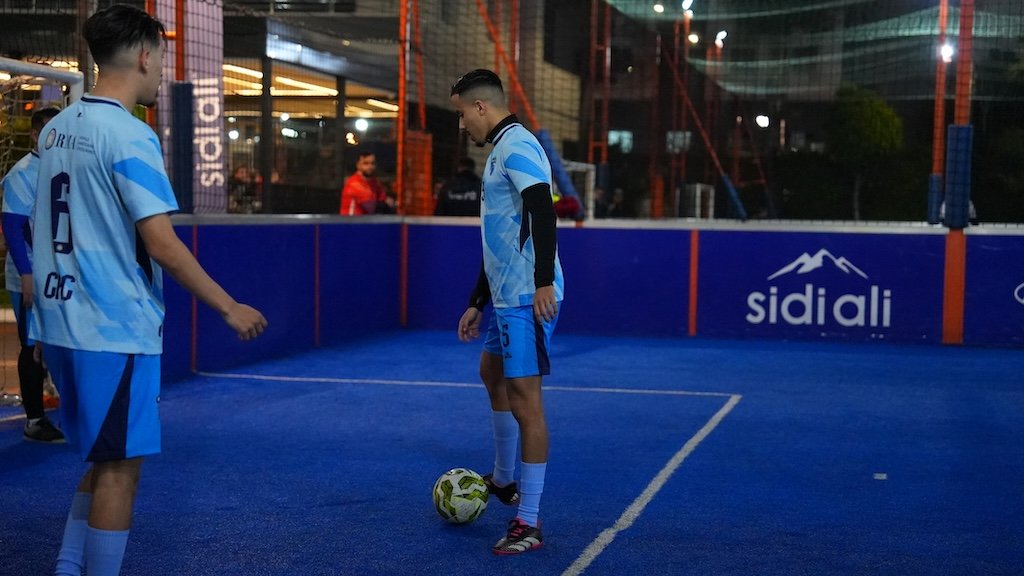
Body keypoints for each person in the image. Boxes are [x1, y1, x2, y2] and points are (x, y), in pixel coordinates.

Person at [31, 6, 268, 575]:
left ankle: (68, 565)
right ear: (143, 56)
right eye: (161, 56)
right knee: (121, 469)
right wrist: (228, 306)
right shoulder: (131, 134)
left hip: (61, 319)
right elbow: (161, 243)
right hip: (111, 326)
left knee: (103, 457)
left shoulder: (59, 126)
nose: (162, 68)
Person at [450, 69, 564, 555]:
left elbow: (543, 209)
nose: (461, 125)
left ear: (480, 107)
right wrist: (477, 301)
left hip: (524, 297)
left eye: (462, 114)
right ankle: (502, 480)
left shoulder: (517, 145)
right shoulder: (500, 149)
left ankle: (529, 522)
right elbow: (498, 235)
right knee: (491, 373)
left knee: (525, 401)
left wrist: (542, 281)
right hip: (504, 297)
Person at [0, 106, 65, 443]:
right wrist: (27, 275)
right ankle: (35, 421)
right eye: (50, 132)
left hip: (59, 274)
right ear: (36, 135)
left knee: (61, 342)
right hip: (31, 276)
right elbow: (13, 226)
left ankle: (68, 411)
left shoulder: (63, 167)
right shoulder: (22, 173)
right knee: (32, 344)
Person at [339, 150, 393, 215]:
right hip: (352, 220)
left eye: (372, 163)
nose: (370, 167)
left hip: (366, 219)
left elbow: (385, 199)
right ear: (358, 165)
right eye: (366, 163)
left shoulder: (373, 182)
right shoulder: (354, 183)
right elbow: (370, 207)